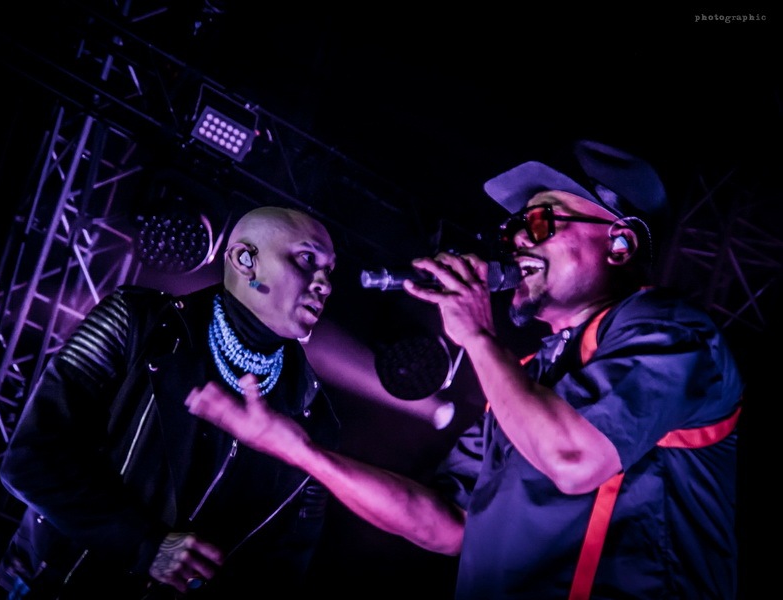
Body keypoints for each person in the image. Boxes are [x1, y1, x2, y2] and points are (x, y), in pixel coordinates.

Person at [185, 140, 744, 599]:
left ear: (619, 243)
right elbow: (445, 524)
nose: (517, 237)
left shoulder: (671, 333)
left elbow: (575, 460)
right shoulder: (528, 378)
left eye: (542, 221)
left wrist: (476, 335)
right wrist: (299, 451)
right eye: (515, 227)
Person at [0, 206, 340, 599]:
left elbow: (283, 572)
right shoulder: (135, 320)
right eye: (307, 259)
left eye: (329, 271)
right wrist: (146, 545)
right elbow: (32, 459)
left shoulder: (316, 420)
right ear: (245, 260)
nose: (324, 284)